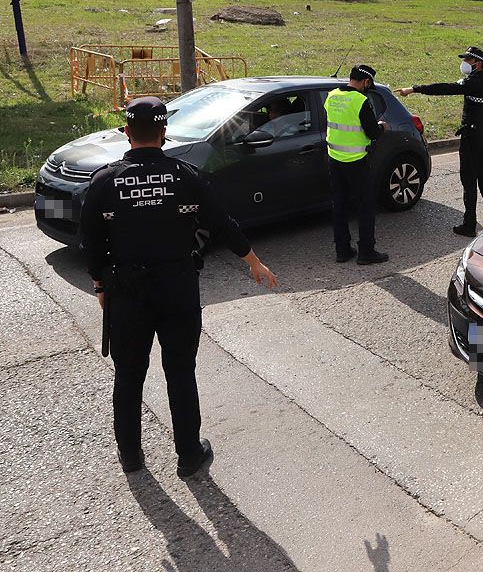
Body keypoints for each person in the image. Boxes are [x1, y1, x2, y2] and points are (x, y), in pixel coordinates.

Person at [80, 97, 278, 477]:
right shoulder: (185, 175)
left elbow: (91, 241)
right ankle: (189, 455)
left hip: (127, 290)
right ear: (164, 134)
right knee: (180, 371)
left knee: (129, 373)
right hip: (177, 287)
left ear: (126, 133)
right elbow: (222, 223)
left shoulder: (105, 181)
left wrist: (101, 285)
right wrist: (253, 262)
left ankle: (131, 456)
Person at [397, 46, 483, 237]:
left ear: (479, 63)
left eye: (468, 61)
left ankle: (469, 224)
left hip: (471, 137)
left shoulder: (475, 83)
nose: (465, 64)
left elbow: (445, 88)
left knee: (469, 180)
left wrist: (414, 89)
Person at [325, 64, 388, 264]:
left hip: (334, 159)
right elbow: (372, 132)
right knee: (366, 206)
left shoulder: (332, 95)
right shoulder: (360, 101)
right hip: (356, 161)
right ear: (366, 82)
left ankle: (342, 250)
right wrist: (381, 127)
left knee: (339, 205)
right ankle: (366, 252)